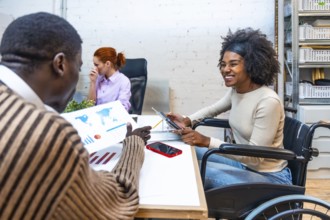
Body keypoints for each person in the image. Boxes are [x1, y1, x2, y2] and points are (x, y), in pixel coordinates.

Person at [0, 12, 151, 219]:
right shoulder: (48, 132)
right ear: (60, 64)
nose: (90, 70)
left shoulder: (123, 81)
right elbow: (115, 202)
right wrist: (134, 144)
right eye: (79, 67)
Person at [168, 28, 292, 190]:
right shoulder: (238, 90)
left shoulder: (268, 101)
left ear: (252, 65)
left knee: (193, 171)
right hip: (244, 165)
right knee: (182, 152)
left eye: (233, 64)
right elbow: (212, 109)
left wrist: (206, 141)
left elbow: (255, 158)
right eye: (223, 64)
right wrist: (187, 120)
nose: (226, 69)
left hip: (269, 177)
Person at [88, 47, 131, 111]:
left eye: (97, 65)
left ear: (108, 64)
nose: (95, 68)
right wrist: (93, 82)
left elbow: (123, 108)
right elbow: (90, 105)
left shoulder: (123, 81)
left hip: (113, 118)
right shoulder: (98, 78)